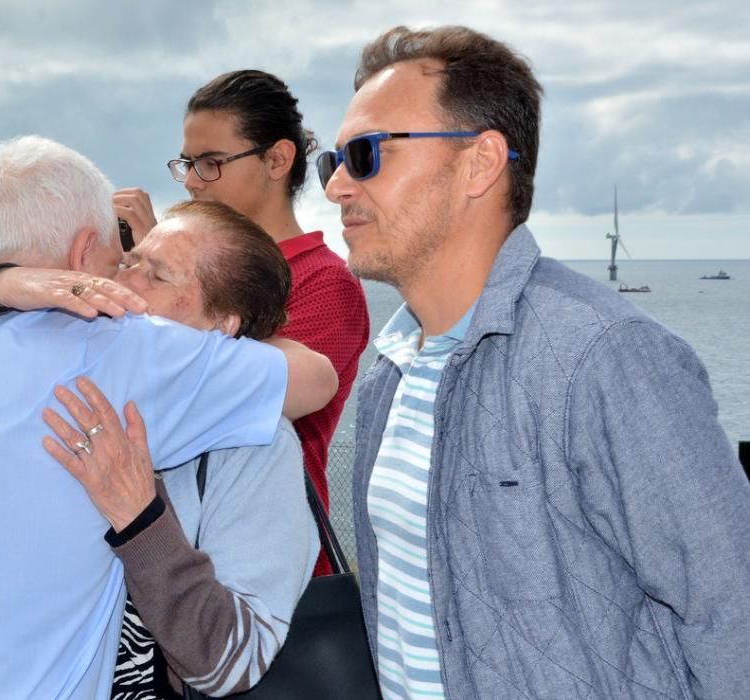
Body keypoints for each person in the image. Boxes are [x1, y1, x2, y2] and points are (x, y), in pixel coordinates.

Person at [0, 136, 336, 699]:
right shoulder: (113, 355)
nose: (123, 286)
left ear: (227, 331)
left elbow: (233, 662)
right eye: (126, 260)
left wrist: (140, 519)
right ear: (85, 252)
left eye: (154, 275)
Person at [317, 25, 750, 699]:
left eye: (366, 154)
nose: (337, 187)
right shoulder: (386, 380)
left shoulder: (604, 358)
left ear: (479, 163)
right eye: (332, 163)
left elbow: (732, 612)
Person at [115, 70, 370, 575]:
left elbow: (233, 392)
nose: (191, 181)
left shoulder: (325, 283)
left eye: (211, 163)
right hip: (172, 552)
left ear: (277, 159)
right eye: (188, 163)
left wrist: (172, 264)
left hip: (271, 570)